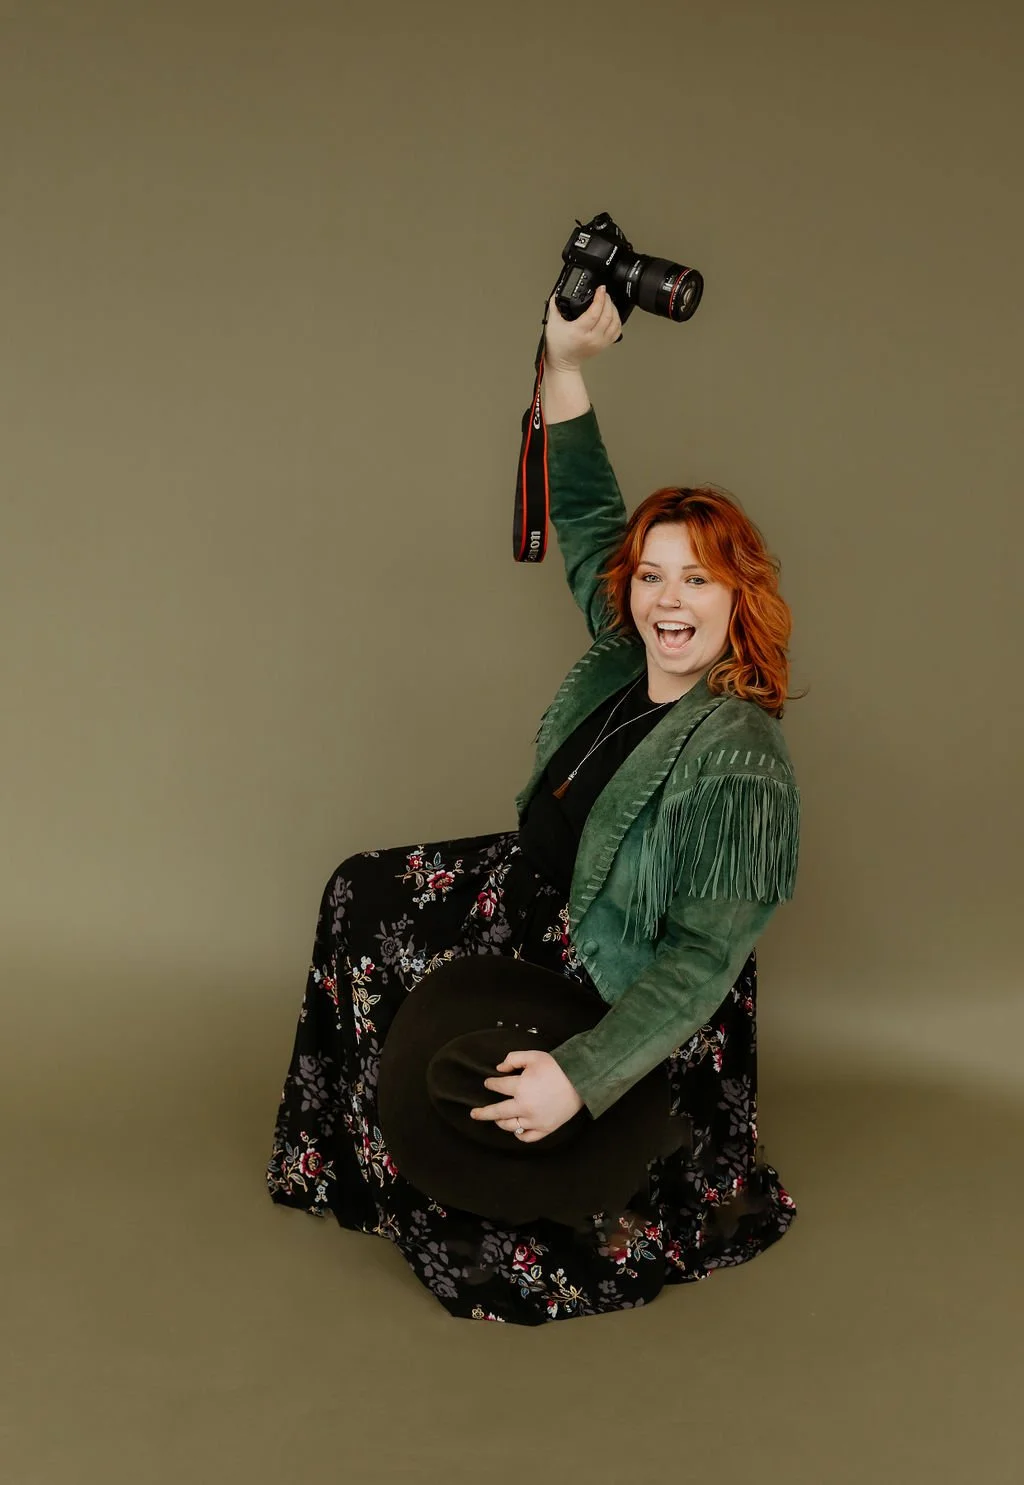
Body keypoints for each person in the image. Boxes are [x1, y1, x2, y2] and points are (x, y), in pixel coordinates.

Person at [266, 285, 799, 1324]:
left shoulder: (740, 757)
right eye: (651, 577)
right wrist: (566, 368)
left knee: (425, 990)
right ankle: (354, 1169)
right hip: (536, 880)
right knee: (358, 897)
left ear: (740, 600)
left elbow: (698, 962)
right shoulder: (623, 654)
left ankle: (470, 1172)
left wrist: (583, 1078)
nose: (666, 601)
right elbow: (594, 511)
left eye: (695, 582)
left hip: (616, 953)